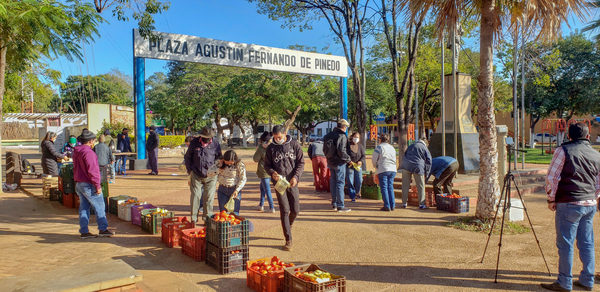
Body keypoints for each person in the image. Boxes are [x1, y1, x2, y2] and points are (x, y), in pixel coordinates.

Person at [541, 122, 600, 292]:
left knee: (565, 243)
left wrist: (551, 199)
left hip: (568, 202)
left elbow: (552, 177)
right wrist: (594, 198)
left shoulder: (563, 150)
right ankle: (587, 280)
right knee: (587, 242)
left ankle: (564, 282)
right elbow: (598, 183)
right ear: (588, 137)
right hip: (589, 204)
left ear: (569, 136)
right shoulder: (596, 154)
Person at [264, 125, 304, 251]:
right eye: (275, 138)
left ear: (285, 133)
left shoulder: (294, 145)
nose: (277, 139)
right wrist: (272, 173)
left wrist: (296, 177)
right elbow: (267, 165)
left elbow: (301, 163)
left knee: (295, 210)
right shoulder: (271, 148)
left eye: (279, 137)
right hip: (279, 183)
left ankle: (288, 224)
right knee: (285, 210)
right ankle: (288, 239)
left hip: (292, 182)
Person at [73, 130, 114, 239]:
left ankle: (84, 231)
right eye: (94, 141)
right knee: (100, 206)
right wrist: (97, 185)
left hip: (79, 183)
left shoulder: (77, 151)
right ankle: (103, 229)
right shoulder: (89, 153)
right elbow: (93, 170)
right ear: (91, 141)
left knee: (84, 208)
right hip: (88, 183)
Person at [184, 127, 223, 223]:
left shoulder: (215, 144)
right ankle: (193, 219)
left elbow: (219, 158)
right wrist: (190, 171)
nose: (207, 139)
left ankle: (207, 219)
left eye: (209, 137)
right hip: (196, 174)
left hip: (211, 176)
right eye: (205, 137)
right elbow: (188, 157)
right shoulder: (194, 143)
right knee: (196, 196)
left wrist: (216, 169)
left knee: (209, 197)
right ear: (201, 136)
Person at [323, 119, 352, 212]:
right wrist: (348, 160)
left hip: (330, 161)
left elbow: (324, 149)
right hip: (339, 162)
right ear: (344, 127)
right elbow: (341, 151)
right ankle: (340, 205)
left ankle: (334, 203)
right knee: (340, 183)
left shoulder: (328, 135)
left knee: (333, 182)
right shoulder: (342, 136)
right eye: (346, 127)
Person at [399, 138, 432, 209]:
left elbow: (405, 155)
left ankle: (404, 203)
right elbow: (429, 161)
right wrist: (427, 172)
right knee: (420, 186)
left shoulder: (411, 145)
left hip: (406, 166)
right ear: (425, 143)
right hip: (417, 167)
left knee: (405, 185)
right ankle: (422, 204)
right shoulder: (424, 148)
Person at [215, 150, 246, 215]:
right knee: (223, 213)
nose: (229, 164)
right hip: (222, 189)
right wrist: (217, 168)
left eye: (231, 163)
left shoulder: (240, 164)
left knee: (234, 213)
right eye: (227, 163)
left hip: (234, 190)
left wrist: (237, 190)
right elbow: (209, 173)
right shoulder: (219, 163)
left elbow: (243, 179)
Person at [372, 134, 397, 211]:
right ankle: (392, 205)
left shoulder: (379, 147)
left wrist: (376, 166)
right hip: (392, 169)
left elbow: (374, 159)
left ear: (380, 140)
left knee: (384, 187)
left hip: (383, 168)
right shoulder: (392, 147)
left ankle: (387, 205)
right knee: (390, 187)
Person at [253, 132, 275, 212]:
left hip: (264, 171)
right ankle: (261, 205)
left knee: (267, 189)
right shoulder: (274, 147)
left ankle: (271, 207)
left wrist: (259, 149)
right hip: (271, 170)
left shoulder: (262, 148)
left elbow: (255, 159)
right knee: (262, 188)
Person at [94, 134, 114, 212]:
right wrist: (111, 160)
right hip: (104, 165)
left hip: (97, 165)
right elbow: (111, 156)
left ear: (99, 140)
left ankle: (98, 187)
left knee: (97, 179)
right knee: (104, 181)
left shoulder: (95, 147)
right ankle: (103, 191)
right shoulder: (107, 147)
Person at [347, 132, 365, 202]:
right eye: (355, 137)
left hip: (358, 166)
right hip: (350, 165)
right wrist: (349, 161)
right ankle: (352, 195)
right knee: (350, 181)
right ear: (352, 137)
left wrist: (361, 161)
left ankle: (357, 192)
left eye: (357, 137)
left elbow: (363, 156)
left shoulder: (360, 146)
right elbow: (345, 154)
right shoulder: (348, 145)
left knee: (359, 180)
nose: (356, 139)